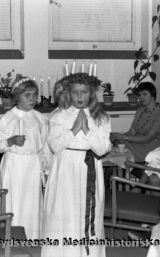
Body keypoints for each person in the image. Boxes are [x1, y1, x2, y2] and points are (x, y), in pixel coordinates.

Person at [41, 73, 111, 257]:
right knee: (63, 213)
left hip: (88, 170)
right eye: (75, 92)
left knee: (87, 216)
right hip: (64, 170)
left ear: (91, 94)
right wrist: (73, 130)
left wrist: (86, 129)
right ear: (68, 94)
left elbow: (103, 148)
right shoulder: (59, 116)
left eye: (84, 92)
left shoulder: (102, 118)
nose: (80, 97)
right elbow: (55, 145)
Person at [0, 78, 48, 239]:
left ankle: (32, 236)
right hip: (14, 165)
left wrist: (45, 167)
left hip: (33, 164)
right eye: (27, 95)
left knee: (31, 203)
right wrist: (11, 141)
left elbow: (43, 145)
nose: (32, 98)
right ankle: (12, 237)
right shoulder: (8, 118)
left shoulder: (39, 117)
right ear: (17, 97)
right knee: (14, 201)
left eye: (35, 95)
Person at [110, 82, 160, 163]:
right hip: (136, 144)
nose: (141, 97)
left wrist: (122, 137)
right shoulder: (140, 110)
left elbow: (147, 139)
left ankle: (112, 173)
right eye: (140, 95)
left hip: (151, 150)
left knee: (119, 151)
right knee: (114, 143)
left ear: (153, 95)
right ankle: (109, 173)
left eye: (144, 94)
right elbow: (131, 132)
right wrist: (117, 136)